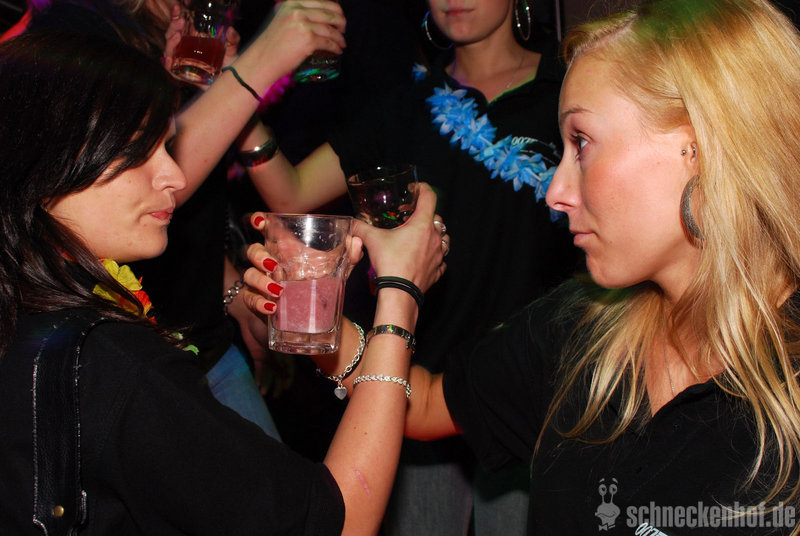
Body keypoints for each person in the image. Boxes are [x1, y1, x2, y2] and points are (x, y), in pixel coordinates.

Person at [244, 0, 800, 533]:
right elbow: (430, 402)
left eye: (582, 143)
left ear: (702, 148)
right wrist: (316, 322)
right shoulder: (584, 325)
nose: (556, 192)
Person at [0, 30, 447, 534]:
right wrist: (400, 294)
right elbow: (336, 524)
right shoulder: (113, 366)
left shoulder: (24, 308)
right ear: (45, 164)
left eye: (166, 146)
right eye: (135, 151)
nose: (174, 176)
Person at [239, 0, 581, 532]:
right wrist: (239, 107)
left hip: (534, 388)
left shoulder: (570, 91)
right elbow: (293, 193)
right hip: (416, 386)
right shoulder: (405, 102)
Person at [22, 0, 347, 438]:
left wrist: (234, 294)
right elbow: (126, 192)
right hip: (119, 358)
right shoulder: (73, 28)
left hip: (205, 341)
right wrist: (261, 60)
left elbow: (181, 212)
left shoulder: (183, 37)